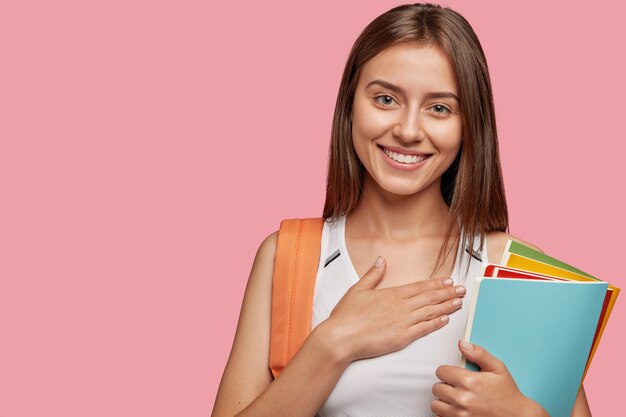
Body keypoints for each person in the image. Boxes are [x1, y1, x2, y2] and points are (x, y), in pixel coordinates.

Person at [211, 3, 592, 416]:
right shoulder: (288, 256)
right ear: (350, 105)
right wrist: (334, 342)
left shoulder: (519, 272)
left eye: (440, 108)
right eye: (386, 98)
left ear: (470, 125)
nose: (408, 131)